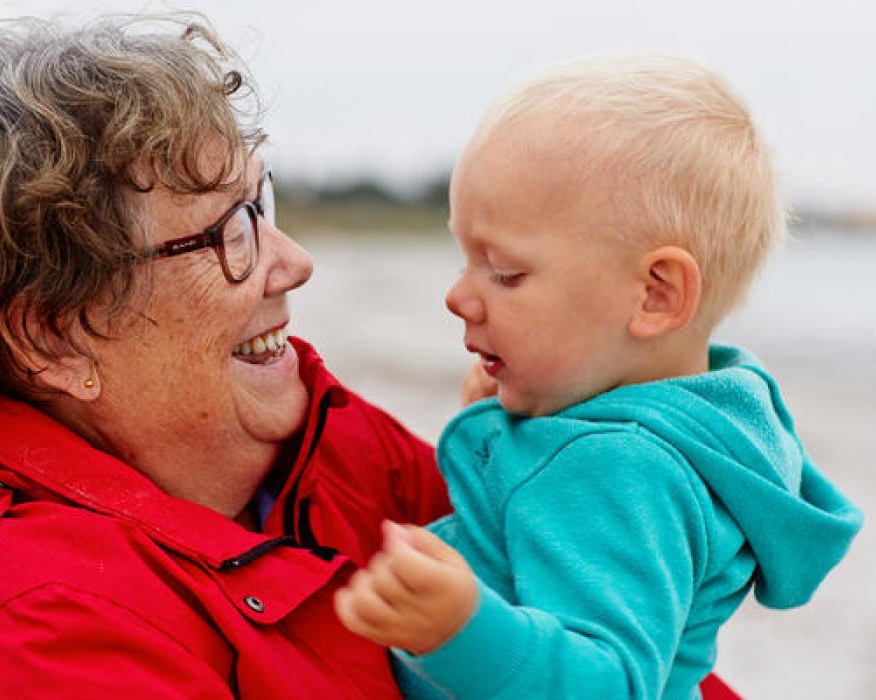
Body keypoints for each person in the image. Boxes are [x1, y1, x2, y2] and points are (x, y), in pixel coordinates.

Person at [0, 14, 457, 697]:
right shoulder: (41, 631)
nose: (294, 262)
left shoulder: (323, 444)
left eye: (259, 204)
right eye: (227, 232)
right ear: (53, 340)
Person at [334, 53, 864, 699]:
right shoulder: (692, 425)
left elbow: (611, 683)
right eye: (464, 257)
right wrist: (518, 431)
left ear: (656, 295)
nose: (459, 296)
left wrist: (458, 629)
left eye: (505, 273)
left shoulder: (613, 465)